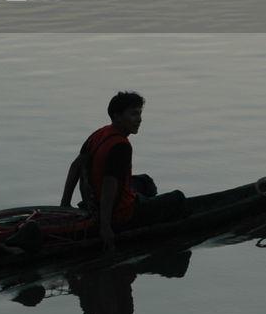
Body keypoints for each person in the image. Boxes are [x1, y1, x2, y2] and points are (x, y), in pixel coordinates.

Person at [60, 92, 186, 250]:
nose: (139, 119)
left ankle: (143, 204)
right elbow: (109, 185)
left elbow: (75, 166)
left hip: (92, 203)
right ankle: (141, 214)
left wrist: (65, 203)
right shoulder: (121, 146)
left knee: (145, 181)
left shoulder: (99, 133)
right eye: (133, 114)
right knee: (178, 198)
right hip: (120, 215)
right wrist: (105, 227)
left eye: (140, 114)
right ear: (117, 116)